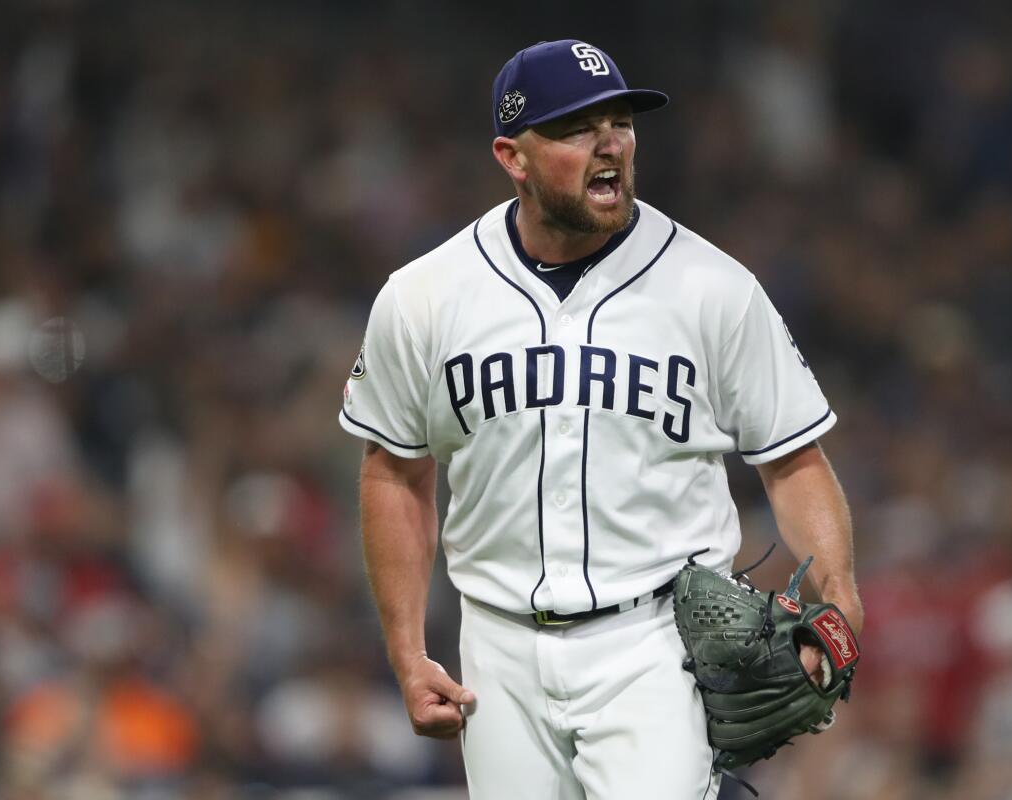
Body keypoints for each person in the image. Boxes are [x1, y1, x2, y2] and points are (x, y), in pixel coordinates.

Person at [338, 39, 862, 800]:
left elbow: (793, 460)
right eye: (578, 127)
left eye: (620, 120)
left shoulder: (713, 288)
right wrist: (407, 651)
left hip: (654, 642)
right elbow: (393, 470)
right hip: (497, 645)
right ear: (513, 157)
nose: (610, 141)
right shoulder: (425, 296)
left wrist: (840, 599)